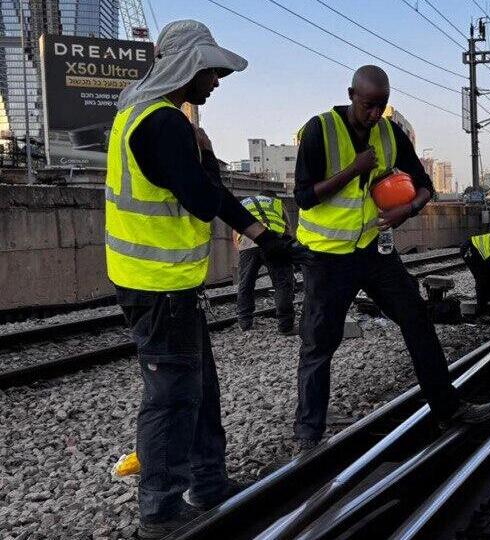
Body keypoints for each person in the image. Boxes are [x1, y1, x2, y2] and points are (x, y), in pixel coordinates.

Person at [105, 21, 309, 539]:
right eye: (211, 69)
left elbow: (203, 192)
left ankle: (210, 484)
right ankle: (161, 512)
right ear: (186, 66)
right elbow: (203, 196)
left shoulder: (141, 114)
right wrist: (211, 159)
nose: (217, 79)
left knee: (200, 390)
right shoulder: (162, 124)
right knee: (172, 396)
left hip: (165, 283)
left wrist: (264, 235)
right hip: (158, 285)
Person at [293, 65, 490, 450]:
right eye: (369, 105)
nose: (375, 114)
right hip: (327, 257)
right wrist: (354, 170)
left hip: (372, 251)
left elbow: (425, 186)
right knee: (318, 343)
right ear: (352, 94)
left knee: (416, 317)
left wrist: (409, 210)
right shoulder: (320, 130)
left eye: (382, 106)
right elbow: (304, 196)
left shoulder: (389, 132)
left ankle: (448, 407)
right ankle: (307, 438)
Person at [235, 192, 296, 334]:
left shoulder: (245, 202)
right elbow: (288, 229)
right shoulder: (276, 203)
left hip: (248, 242)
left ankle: (245, 323)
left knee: (245, 283)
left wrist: (242, 250)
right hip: (273, 240)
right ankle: (285, 326)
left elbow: (235, 231)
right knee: (282, 283)